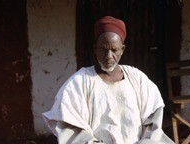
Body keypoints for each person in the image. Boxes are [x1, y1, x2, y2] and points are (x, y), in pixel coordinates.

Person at [42, 16, 174, 144]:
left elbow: (152, 122)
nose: (109, 56)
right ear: (95, 48)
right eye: (103, 49)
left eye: (114, 50)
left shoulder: (137, 79)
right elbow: (70, 127)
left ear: (122, 50)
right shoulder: (79, 82)